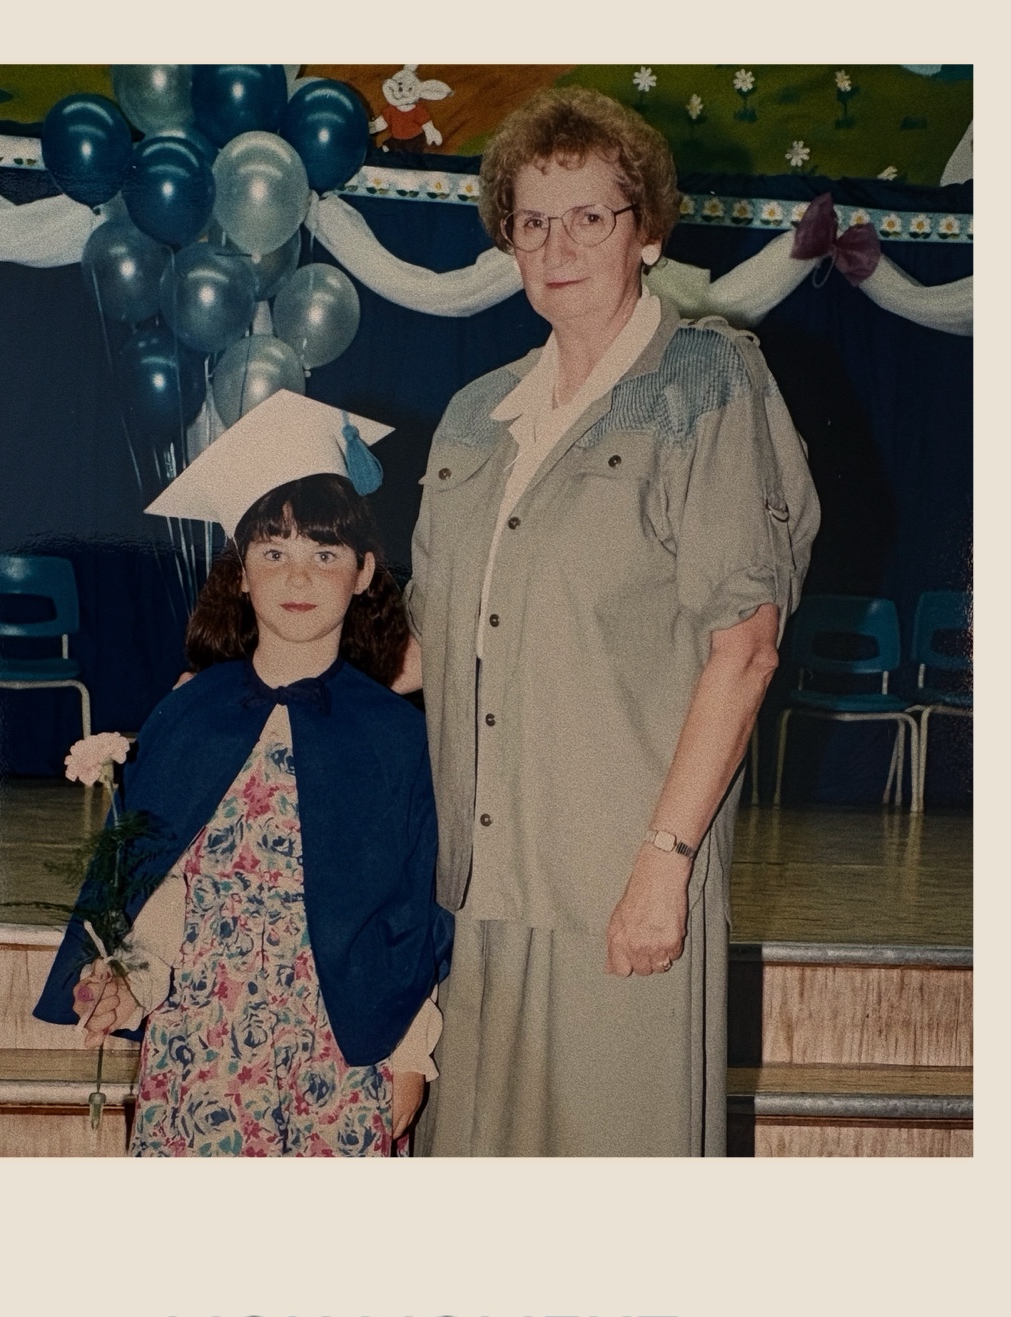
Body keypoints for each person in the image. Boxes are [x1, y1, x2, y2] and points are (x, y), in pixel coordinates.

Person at [401, 87, 821, 1156]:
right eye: (531, 221)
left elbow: (744, 650)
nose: (557, 246)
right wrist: (254, 657)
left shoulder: (704, 383)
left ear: (647, 233)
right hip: (475, 885)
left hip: (616, 880)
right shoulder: (474, 415)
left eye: (589, 216)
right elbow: (426, 648)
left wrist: (663, 864)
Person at [34, 392, 452, 1156]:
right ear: (239, 573)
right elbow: (161, 885)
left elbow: (412, 909)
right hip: (203, 1039)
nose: (299, 577)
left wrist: (409, 1055)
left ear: (363, 572)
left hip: (340, 1047)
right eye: (273, 552)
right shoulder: (190, 715)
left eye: (325, 554)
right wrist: (128, 979)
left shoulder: (392, 734)